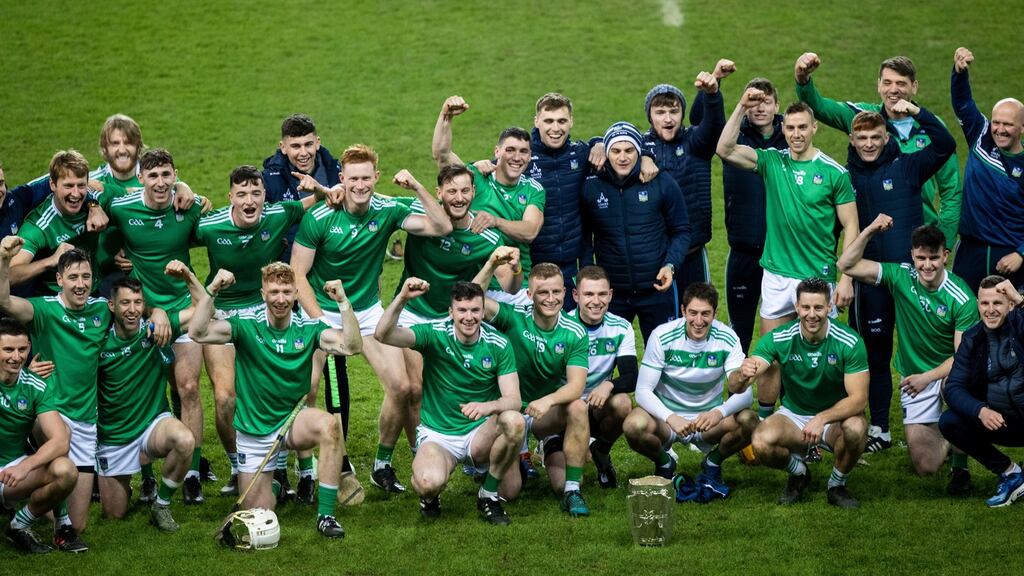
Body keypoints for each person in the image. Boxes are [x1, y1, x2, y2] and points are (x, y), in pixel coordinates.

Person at [291, 144, 451, 494]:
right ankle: (306, 471)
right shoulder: (320, 217)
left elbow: (441, 226)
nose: (360, 185)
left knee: (403, 387)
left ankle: (381, 465)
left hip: (365, 311)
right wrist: (320, 322)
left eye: (366, 178)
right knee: (308, 388)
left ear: (376, 177)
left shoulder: (389, 208)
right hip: (321, 310)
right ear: (342, 179)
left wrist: (416, 187)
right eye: (353, 179)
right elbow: (297, 273)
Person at [0, 239, 170, 549]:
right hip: (51, 410)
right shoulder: (44, 309)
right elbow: (5, 301)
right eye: (73, 277)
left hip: (86, 419)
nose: (80, 284)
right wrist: (3, 260)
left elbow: (133, 307)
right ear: (59, 279)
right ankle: (30, 517)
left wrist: (157, 312)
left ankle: (27, 499)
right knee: (58, 444)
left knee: (76, 521)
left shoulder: (101, 310)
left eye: (86, 277)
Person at [188, 263, 362, 538]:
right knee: (260, 515)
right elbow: (197, 332)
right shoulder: (246, 324)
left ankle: (326, 517)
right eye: (274, 292)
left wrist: (343, 302)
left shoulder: (309, 328)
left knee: (329, 426)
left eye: (286, 292)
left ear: (296, 294)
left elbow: (352, 346)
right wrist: (212, 289)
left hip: (292, 421)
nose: (280, 299)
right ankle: (275, 487)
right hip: (254, 430)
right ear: (263, 294)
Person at [717, 88, 860, 419]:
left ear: (814, 128)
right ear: (784, 129)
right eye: (791, 128)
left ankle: (821, 423)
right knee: (771, 355)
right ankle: (767, 420)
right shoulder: (772, 161)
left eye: (802, 127)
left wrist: (846, 278)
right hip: (777, 275)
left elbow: (851, 225)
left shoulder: (834, 172)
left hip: (817, 278)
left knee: (821, 358)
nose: (796, 134)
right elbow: (724, 148)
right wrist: (741, 105)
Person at [193, 165, 318, 499]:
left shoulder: (279, 214)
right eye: (242, 194)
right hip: (223, 313)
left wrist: (319, 188)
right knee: (225, 397)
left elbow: (317, 201)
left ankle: (292, 467)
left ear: (265, 196)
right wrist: (184, 192)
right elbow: (174, 233)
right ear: (230, 197)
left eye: (256, 193)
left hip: (265, 309)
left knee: (290, 388)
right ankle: (239, 465)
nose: (249, 201)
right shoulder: (210, 225)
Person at [840, 104, 958, 453]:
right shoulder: (845, 177)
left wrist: (918, 112)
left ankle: (938, 423)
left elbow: (945, 144)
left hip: (911, 281)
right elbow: (839, 229)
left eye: (875, 137)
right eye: (862, 138)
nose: (869, 144)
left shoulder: (907, 166)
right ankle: (880, 428)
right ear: (852, 139)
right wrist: (844, 279)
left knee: (924, 351)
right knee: (874, 354)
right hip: (870, 279)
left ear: (886, 136)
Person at [98, 148, 208, 503]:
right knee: (143, 393)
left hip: (185, 311)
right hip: (143, 313)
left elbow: (212, 219)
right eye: (153, 176)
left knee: (188, 387)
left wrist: (191, 192)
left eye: (167, 175)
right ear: (140, 178)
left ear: (175, 175)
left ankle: (192, 472)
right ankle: (146, 476)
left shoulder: (188, 207)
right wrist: (95, 214)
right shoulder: (122, 207)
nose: (161, 183)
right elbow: (91, 192)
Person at [375, 278, 525, 524]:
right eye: (462, 310)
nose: (469, 317)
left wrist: (488, 407)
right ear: (451, 312)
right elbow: (383, 334)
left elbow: (514, 400)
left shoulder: (499, 343)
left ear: (483, 311)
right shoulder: (434, 333)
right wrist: (401, 298)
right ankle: (430, 496)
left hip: (480, 433)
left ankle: (488, 494)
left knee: (514, 429)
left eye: (475, 310)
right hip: (439, 435)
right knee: (427, 483)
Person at [839, 216, 977, 483]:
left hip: (947, 373)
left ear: (945, 256)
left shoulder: (962, 298)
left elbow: (962, 357)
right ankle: (949, 439)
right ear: (912, 256)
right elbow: (845, 264)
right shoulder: (901, 276)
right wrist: (869, 230)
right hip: (914, 378)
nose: (927, 265)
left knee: (957, 389)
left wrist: (928, 377)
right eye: (921, 258)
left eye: (934, 258)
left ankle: (960, 468)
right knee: (926, 467)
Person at [794, 53, 962, 250]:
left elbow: (951, 190)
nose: (893, 89)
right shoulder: (863, 118)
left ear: (914, 87)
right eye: (887, 82)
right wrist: (803, 80)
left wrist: (944, 242)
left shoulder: (933, 128)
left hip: (920, 240)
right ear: (879, 85)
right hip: (873, 237)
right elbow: (820, 107)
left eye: (901, 83)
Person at [473, 248, 591, 516]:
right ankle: (500, 457)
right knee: (510, 492)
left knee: (578, 407)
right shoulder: (513, 316)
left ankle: (572, 490)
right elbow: (473, 298)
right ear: (529, 294)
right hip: (509, 411)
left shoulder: (574, 332)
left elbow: (576, 386)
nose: (551, 298)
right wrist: (491, 264)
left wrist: (548, 400)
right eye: (542, 292)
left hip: (542, 413)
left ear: (565, 292)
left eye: (556, 292)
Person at [739, 279, 869, 508]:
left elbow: (859, 400)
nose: (812, 314)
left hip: (835, 418)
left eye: (818, 308)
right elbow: (748, 374)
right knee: (760, 442)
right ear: (796, 307)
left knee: (856, 429)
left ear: (829, 307)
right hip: (795, 415)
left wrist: (822, 418)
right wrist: (743, 373)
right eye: (806, 307)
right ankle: (799, 473)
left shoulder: (849, 342)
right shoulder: (780, 337)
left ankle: (836, 485)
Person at [623, 282, 756, 501]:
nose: (699, 321)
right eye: (693, 313)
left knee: (750, 420)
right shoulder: (662, 335)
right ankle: (665, 463)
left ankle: (713, 462)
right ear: (683, 310)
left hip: (708, 421)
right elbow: (643, 391)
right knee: (633, 425)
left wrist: (719, 412)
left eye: (706, 314)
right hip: (667, 420)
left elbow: (746, 394)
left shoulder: (727, 337)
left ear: (715, 313)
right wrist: (670, 417)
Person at [526, 93, 657, 310]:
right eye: (548, 121)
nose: (555, 128)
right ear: (536, 121)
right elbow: (498, 167)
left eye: (562, 121)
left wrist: (644, 156)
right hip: (532, 264)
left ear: (571, 121)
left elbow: (622, 148)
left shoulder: (581, 154)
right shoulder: (524, 157)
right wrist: (481, 165)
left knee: (571, 325)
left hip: (571, 264)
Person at [96, 271, 200, 532]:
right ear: (111, 306)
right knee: (114, 515)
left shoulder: (155, 330)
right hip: (114, 437)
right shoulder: (97, 343)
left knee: (185, 440)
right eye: (125, 303)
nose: (132, 310)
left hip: (152, 425)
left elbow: (201, 311)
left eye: (137, 303)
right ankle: (124, 483)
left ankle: (161, 504)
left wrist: (188, 278)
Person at [580, 121, 691, 342]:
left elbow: (682, 230)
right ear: (606, 152)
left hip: (657, 289)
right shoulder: (591, 186)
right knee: (607, 356)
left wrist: (670, 265)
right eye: (616, 151)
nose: (623, 157)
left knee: (664, 355)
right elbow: (584, 236)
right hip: (612, 292)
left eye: (629, 150)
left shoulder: (662, 182)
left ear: (640, 152)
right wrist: (588, 273)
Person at [432, 95, 545, 305]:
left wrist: (495, 221)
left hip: (516, 286)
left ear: (530, 156)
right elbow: (442, 155)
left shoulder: (533, 189)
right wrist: (446, 116)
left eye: (523, 152)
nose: (517, 157)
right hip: (475, 282)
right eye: (510, 150)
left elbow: (530, 231)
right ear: (497, 151)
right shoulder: (476, 177)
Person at [642, 63, 729, 294]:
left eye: (674, 111)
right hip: (653, 255)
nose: (668, 119)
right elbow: (611, 145)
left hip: (692, 252)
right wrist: (642, 156)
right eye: (660, 112)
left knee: (699, 311)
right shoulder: (638, 146)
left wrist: (712, 95)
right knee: (661, 316)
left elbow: (715, 128)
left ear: (682, 113)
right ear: (650, 116)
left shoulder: (695, 142)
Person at [940, 276, 1024, 507]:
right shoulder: (972, 337)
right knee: (950, 421)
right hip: (1002, 421)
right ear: (978, 305)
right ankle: (1011, 473)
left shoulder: (1020, 325)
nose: (990, 310)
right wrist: (980, 411)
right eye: (985, 303)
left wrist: (1021, 301)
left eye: (997, 303)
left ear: (1010, 304)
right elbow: (953, 387)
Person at [0, 319, 78, 554]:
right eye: (8, 350)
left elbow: (60, 440)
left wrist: (25, 466)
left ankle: (19, 525)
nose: (16, 357)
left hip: (10, 471)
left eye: (22, 349)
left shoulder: (36, 386)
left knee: (66, 470)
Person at [722, 78, 787, 355]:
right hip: (743, 251)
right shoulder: (734, 135)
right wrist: (740, 106)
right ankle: (739, 384)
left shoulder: (791, 137)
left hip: (782, 253)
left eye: (766, 102)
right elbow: (721, 146)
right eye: (754, 103)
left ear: (777, 106)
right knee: (739, 332)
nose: (760, 108)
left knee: (783, 333)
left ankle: (783, 385)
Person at [950, 47, 1024, 291]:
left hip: (1009, 255)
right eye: (997, 122)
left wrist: (1021, 254)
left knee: (1012, 313)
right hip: (970, 250)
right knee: (964, 310)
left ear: (1022, 128)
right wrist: (959, 73)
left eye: (1008, 125)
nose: (1000, 130)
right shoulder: (981, 136)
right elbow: (963, 103)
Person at [567, 265, 638, 488]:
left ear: (610, 295)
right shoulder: (563, 326)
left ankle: (601, 450)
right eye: (588, 294)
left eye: (602, 294)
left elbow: (631, 377)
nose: (596, 301)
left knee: (623, 403)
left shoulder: (621, 327)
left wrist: (608, 385)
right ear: (576, 295)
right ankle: (553, 443)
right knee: (566, 482)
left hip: (598, 404)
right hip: (567, 407)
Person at [9, 150, 107, 295]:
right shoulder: (39, 226)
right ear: (52, 184)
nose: (76, 194)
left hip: (96, 287)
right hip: (58, 298)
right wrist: (51, 260)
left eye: (81, 185)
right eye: (68, 186)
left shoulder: (95, 201)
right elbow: (11, 274)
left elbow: (130, 195)